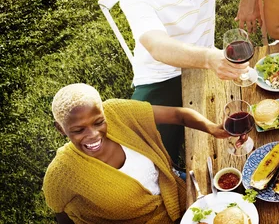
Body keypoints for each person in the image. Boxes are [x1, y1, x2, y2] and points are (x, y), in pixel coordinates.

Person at [119, 0, 269, 165]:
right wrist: (209, 58)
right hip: (160, 78)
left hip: (206, 65)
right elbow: (157, 45)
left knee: (257, 122)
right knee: (149, 160)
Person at [43, 83, 231, 224]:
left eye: (99, 122)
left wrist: (213, 128)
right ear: (60, 128)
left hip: (177, 190)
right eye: (78, 130)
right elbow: (61, 215)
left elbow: (177, 115)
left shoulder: (116, 112)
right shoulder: (61, 174)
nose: (93, 135)